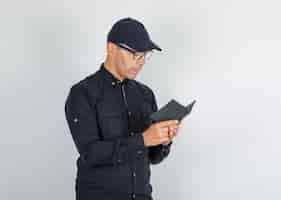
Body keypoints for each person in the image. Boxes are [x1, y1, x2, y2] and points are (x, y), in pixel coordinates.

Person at [64, 17, 180, 200]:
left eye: (145, 55)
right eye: (135, 54)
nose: (141, 61)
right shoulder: (83, 94)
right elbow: (91, 153)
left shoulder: (145, 94)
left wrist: (164, 140)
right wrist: (143, 139)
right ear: (111, 49)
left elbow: (153, 157)